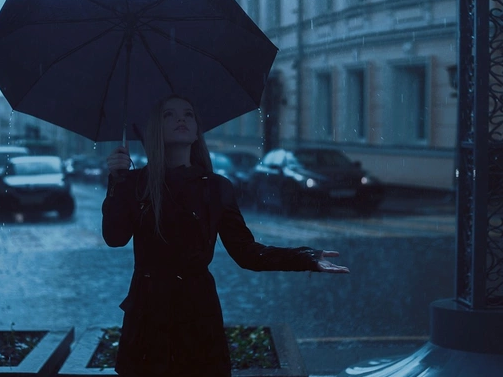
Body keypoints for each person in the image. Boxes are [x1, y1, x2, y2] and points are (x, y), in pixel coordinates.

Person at [102, 94, 349, 377]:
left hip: (197, 314)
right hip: (148, 316)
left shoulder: (215, 187)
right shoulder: (136, 184)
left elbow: (247, 253)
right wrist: (117, 181)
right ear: (155, 129)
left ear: (197, 130)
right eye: (169, 114)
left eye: (188, 114)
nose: (181, 119)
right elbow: (114, 237)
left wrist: (305, 258)